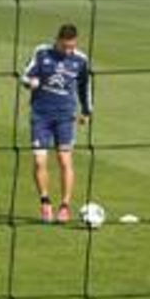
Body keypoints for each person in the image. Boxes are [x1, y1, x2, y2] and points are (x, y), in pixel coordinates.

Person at [21, 23, 93, 224]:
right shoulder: (41, 52)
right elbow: (25, 75)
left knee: (64, 160)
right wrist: (30, 83)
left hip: (65, 117)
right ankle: (45, 202)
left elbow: (85, 86)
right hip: (40, 116)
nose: (68, 50)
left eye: (72, 46)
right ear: (58, 40)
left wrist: (86, 111)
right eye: (65, 46)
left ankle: (65, 207)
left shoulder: (80, 60)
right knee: (39, 161)